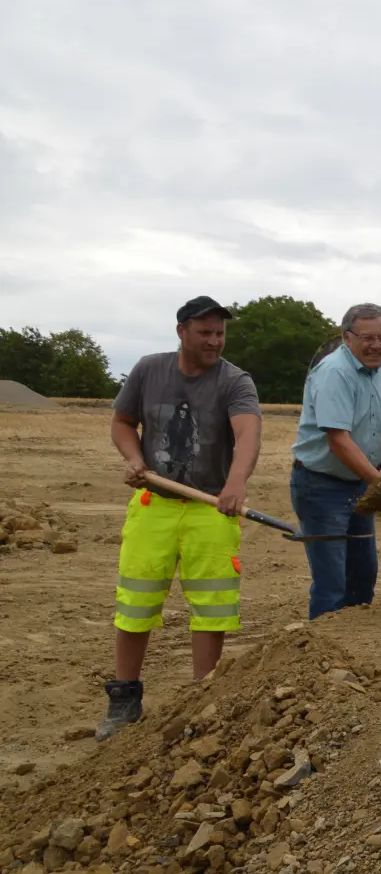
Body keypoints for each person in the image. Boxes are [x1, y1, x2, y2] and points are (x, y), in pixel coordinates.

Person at [98, 296, 263, 741]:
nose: (215, 341)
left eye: (220, 333)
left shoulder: (235, 380)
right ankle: (124, 697)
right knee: (137, 601)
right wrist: (134, 458)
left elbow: (248, 432)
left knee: (213, 608)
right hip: (155, 503)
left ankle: (202, 699)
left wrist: (236, 482)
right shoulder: (150, 370)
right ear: (181, 332)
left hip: (211, 508)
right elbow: (121, 422)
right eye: (205, 332)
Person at [290, 303, 381, 620]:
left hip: (359, 484)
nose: (377, 345)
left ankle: (353, 651)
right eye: (368, 338)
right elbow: (338, 440)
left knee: (363, 579)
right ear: (347, 337)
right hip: (321, 487)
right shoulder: (335, 373)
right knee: (332, 585)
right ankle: (320, 661)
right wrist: (380, 484)